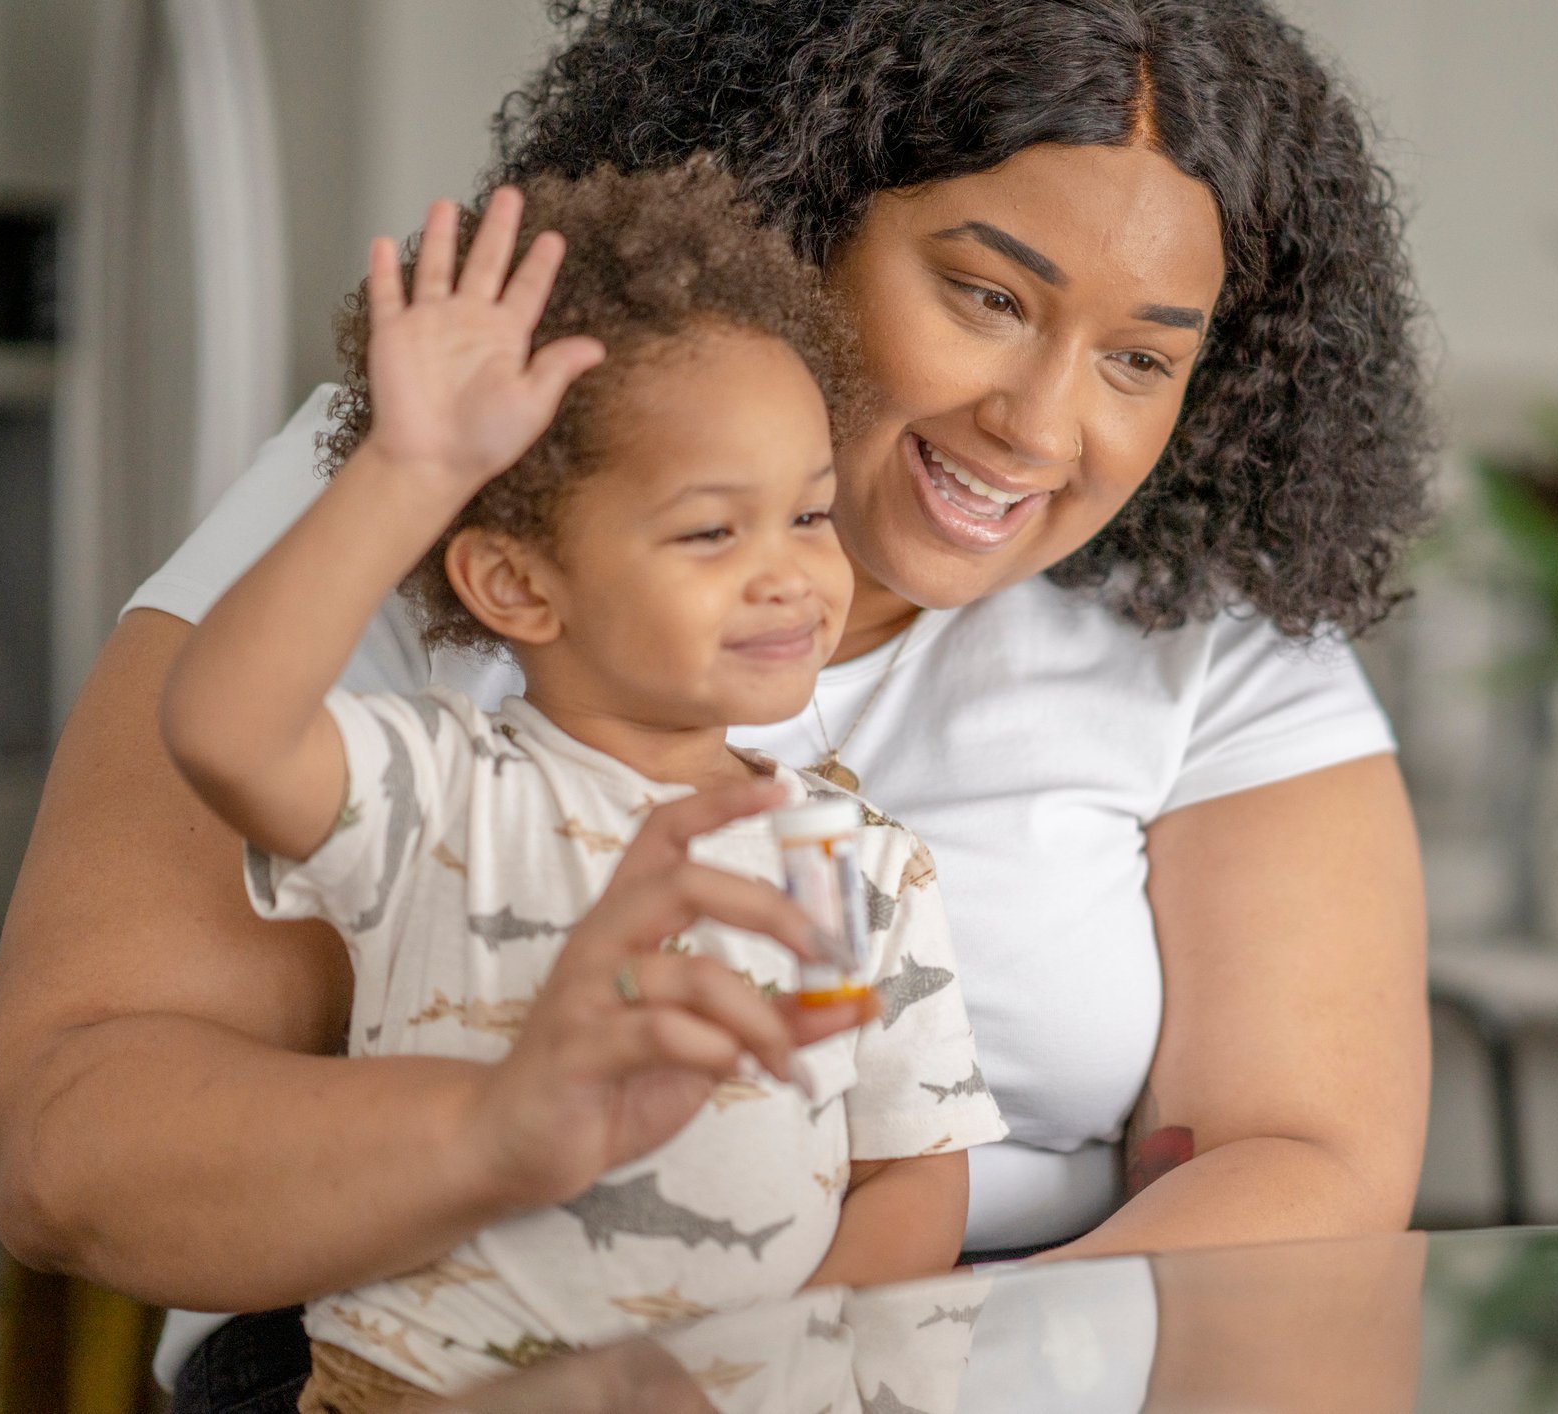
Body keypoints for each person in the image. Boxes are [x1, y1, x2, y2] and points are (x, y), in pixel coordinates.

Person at [0, 1, 1434, 1407]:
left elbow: (1306, 1160)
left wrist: (885, 1359)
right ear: (796, 219)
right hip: (432, 1346)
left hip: (964, 1346)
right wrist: (495, 1137)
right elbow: (72, 1139)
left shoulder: (1200, 619)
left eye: (1139, 359)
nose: (1042, 426)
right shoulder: (457, 471)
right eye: (986, 296)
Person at [159, 162, 1007, 1407]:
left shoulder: (850, 860)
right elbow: (224, 728)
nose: (789, 576)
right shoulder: (439, 789)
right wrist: (408, 469)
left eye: (811, 516)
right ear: (517, 587)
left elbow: (913, 1172)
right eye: (714, 531)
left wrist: (763, 1367)